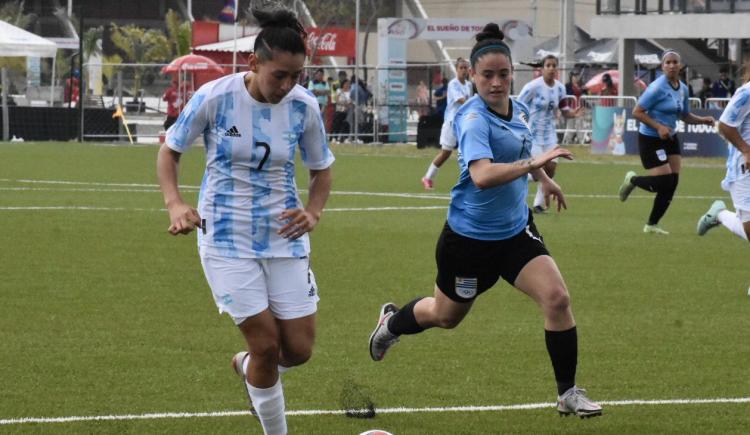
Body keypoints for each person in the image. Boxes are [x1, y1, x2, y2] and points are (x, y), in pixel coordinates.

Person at [369, 23, 602, 419]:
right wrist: (536, 163)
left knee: (558, 299)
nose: (496, 83)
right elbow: (482, 175)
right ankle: (392, 324)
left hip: (515, 232)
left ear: (513, 74)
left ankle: (567, 394)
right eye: (487, 75)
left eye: (503, 74)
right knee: (445, 317)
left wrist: (544, 181)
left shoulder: (521, 109)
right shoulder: (473, 118)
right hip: (469, 242)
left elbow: (524, 152)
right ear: (472, 76)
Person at [156, 7, 334, 435]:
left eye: (296, 76)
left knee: (299, 350)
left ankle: (248, 369)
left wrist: (312, 212)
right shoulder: (215, 97)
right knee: (267, 345)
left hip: (285, 238)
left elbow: (321, 168)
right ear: (253, 64)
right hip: (226, 238)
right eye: (280, 75)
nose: (288, 85)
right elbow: (170, 151)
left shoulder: (304, 107)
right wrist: (175, 204)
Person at [618, 49, 715, 234]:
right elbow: (637, 112)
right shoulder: (656, 88)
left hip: (670, 138)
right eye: (667, 62)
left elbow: (684, 115)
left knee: (673, 182)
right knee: (663, 183)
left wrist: (702, 120)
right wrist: (658, 127)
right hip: (651, 138)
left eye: (674, 62)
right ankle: (632, 179)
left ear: (680, 65)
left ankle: (652, 225)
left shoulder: (683, 89)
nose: (671, 65)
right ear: (663, 66)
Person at [517, 55, 583, 212]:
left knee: (551, 169)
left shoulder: (560, 88)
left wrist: (573, 113)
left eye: (554, 65)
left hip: (550, 135)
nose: (552, 68)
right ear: (542, 68)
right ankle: (512, 176)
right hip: (532, 134)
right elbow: (517, 106)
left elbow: (564, 109)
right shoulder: (532, 87)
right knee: (537, 168)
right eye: (548, 65)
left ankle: (538, 205)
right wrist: (521, 125)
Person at [697, 60, 750, 248]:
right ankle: (720, 214)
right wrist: (746, 150)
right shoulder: (747, 93)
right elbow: (726, 125)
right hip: (745, 167)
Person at [421, 58, 473, 189]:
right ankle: (427, 177)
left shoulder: (469, 85)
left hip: (464, 123)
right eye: (461, 68)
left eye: (466, 68)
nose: (463, 70)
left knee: (468, 151)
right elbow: (463, 101)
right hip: (451, 122)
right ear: (456, 69)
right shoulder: (453, 84)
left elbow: (470, 102)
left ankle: (470, 181)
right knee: (446, 153)